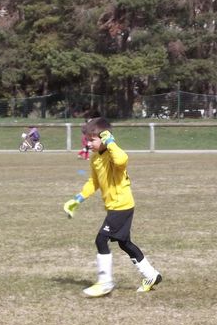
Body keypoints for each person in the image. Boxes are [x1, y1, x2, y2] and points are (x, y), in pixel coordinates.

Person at [62, 118, 163, 297]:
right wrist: (78, 199)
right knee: (125, 243)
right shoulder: (95, 159)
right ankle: (151, 275)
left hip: (121, 206)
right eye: (87, 139)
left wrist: (111, 142)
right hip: (115, 207)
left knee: (101, 240)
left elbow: (122, 159)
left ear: (104, 137)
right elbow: (93, 182)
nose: (88, 143)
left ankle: (105, 283)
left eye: (92, 139)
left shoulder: (112, 154)